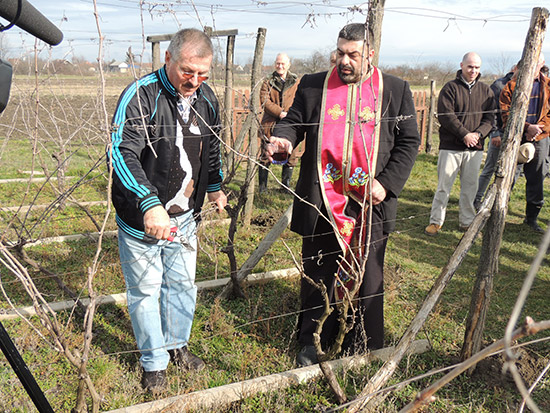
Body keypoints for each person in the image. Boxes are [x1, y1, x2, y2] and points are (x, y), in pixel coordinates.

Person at [269, 23, 420, 366]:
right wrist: (284, 138)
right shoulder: (312, 85)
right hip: (321, 196)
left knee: (368, 277)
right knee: (317, 273)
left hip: (371, 201)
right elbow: (292, 121)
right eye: (340, 53)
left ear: (370, 55)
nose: (345, 61)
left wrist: (387, 182)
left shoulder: (394, 90)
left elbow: (409, 141)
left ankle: (362, 346)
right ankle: (311, 342)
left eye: (353, 54)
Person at [108, 28, 227, 392]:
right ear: (168, 59)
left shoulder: (207, 99)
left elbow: (212, 148)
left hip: (185, 217)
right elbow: (123, 152)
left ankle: (176, 345)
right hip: (143, 219)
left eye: (203, 74)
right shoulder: (140, 95)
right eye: (187, 71)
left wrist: (214, 187)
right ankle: (153, 361)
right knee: (145, 291)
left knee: (181, 286)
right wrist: (149, 204)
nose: (194, 81)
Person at [425, 52, 495, 235]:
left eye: (477, 67)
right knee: (443, 187)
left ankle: (467, 221)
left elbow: (490, 119)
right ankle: (436, 222)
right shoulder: (450, 88)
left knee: (470, 187)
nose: (473, 70)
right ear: (462, 65)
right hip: (451, 146)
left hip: (475, 148)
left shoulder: (486, 91)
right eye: (470, 66)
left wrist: (478, 135)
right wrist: (464, 134)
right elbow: (447, 116)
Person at [500, 52, 550, 233]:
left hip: (540, 137)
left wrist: (538, 130)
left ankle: (531, 218)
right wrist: (527, 128)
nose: (533, 66)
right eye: (530, 62)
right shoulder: (511, 86)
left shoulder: (548, 85)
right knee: (508, 175)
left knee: (537, 176)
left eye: (537, 63)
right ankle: (499, 213)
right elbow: (506, 114)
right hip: (515, 136)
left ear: (542, 64)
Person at [474, 66, 517, 210]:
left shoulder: (527, 84)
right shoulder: (499, 85)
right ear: (516, 68)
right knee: (490, 167)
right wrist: (495, 133)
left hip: (516, 136)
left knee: (513, 170)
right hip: (499, 133)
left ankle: (501, 201)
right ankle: (477, 198)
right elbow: (490, 112)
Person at [258, 53, 300, 192]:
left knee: (291, 154)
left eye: (283, 64)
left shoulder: (296, 82)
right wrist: (280, 112)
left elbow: (299, 100)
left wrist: (290, 115)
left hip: (290, 123)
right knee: (265, 154)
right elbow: (265, 101)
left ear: (288, 65)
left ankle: (284, 186)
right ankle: (262, 187)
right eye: (278, 63)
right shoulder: (267, 81)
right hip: (270, 123)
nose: (280, 66)